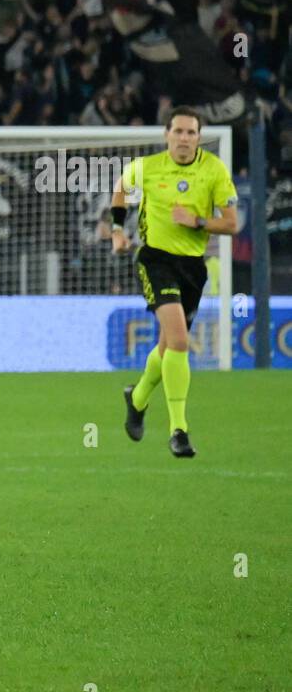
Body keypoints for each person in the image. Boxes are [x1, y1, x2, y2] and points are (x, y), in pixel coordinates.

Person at [113, 105, 238, 458]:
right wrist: (118, 231)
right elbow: (120, 189)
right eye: (178, 131)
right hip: (155, 259)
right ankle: (178, 431)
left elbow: (231, 224)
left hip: (192, 267)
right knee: (181, 340)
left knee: (169, 346)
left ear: (199, 137)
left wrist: (197, 221)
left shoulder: (214, 170)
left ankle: (136, 398)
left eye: (191, 132)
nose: (184, 138)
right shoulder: (147, 167)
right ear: (166, 134)